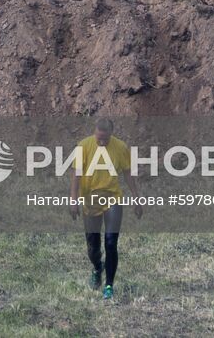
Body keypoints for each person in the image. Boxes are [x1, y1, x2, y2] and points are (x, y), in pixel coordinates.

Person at [68, 117, 143, 300]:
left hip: (113, 199)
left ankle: (109, 285)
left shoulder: (120, 147)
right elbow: (76, 175)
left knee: (111, 242)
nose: (101, 142)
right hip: (90, 201)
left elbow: (127, 173)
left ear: (111, 134)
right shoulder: (83, 146)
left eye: (105, 139)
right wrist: (73, 199)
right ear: (95, 132)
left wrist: (136, 197)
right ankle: (97, 268)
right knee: (93, 247)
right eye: (98, 138)